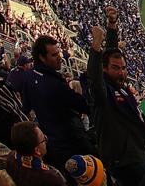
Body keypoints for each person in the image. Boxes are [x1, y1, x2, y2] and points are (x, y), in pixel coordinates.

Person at [87, 7, 145, 186]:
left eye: (123, 68)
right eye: (116, 68)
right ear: (104, 69)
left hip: (138, 152)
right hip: (124, 160)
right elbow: (94, 81)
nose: (121, 73)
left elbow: (111, 52)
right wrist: (95, 47)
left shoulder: (120, 87)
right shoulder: (104, 93)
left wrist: (111, 26)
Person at [21, 34, 94, 171]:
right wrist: (85, 80)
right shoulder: (54, 83)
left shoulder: (29, 76)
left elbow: (25, 108)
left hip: (52, 144)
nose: (59, 57)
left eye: (58, 52)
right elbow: (85, 106)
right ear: (42, 57)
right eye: (54, 55)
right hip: (72, 142)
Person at [7, 122, 65, 186]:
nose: (46, 141)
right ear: (37, 150)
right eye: (44, 139)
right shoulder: (51, 178)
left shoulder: (11, 157)